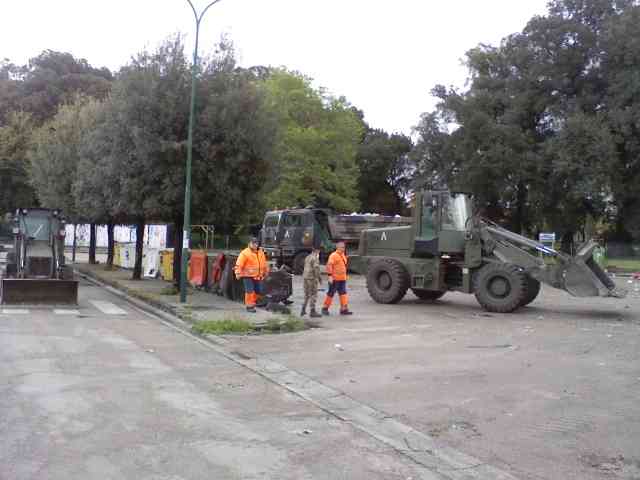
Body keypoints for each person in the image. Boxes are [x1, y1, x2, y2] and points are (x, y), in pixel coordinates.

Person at [235, 237, 269, 313]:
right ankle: (249, 306)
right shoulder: (245, 253)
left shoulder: (261, 252)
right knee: (249, 291)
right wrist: (238, 273)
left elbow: (264, 263)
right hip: (247, 276)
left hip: (257, 275)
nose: (254, 245)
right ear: (249, 244)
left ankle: (253, 302)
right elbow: (239, 264)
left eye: (256, 243)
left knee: (258, 290)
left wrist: (266, 271)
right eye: (253, 243)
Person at [322, 240, 353, 316]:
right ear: (337, 247)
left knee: (343, 294)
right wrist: (330, 276)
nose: (343, 249)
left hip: (342, 279)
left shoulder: (342, 255)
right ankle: (325, 308)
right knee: (331, 294)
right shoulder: (333, 255)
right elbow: (329, 265)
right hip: (335, 279)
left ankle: (344, 309)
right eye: (342, 247)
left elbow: (343, 266)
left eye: (344, 247)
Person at [301, 245, 323, 318]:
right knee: (313, 294)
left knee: (306, 294)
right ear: (317, 250)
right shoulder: (315, 258)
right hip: (312, 278)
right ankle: (312, 311)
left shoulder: (308, 257)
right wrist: (319, 278)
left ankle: (303, 309)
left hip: (305, 277)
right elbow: (316, 269)